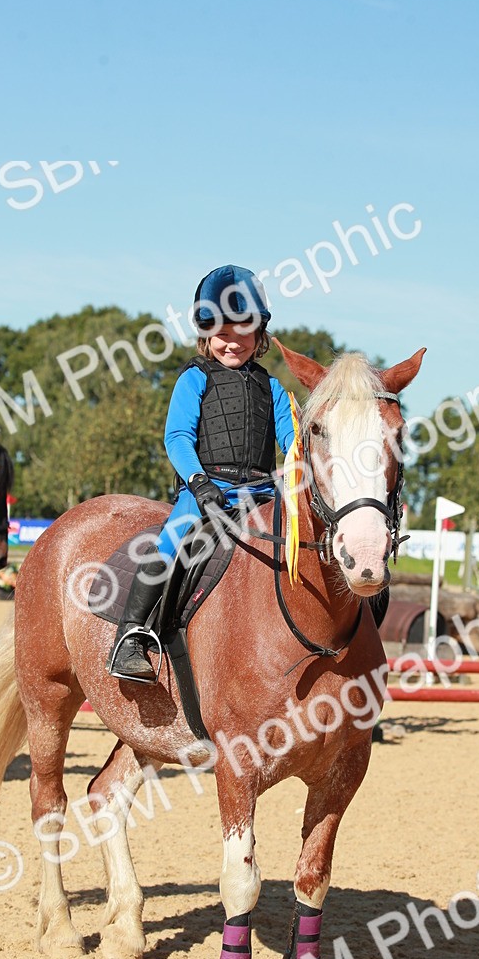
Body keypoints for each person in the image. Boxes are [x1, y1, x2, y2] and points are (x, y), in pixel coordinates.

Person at [107, 264, 297, 681]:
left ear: (259, 335)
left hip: (261, 494)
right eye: (222, 334)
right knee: (173, 542)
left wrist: (296, 473)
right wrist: (198, 482)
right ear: (207, 336)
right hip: (206, 489)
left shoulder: (275, 389)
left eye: (242, 333)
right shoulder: (194, 378)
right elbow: (177, 438)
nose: (232, 343)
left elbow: (292, 440)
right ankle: (132, 637)